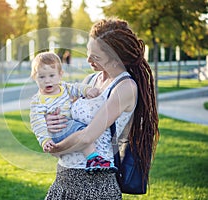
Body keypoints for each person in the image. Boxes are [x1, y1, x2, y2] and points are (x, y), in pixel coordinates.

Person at [44, 17, 159, 199]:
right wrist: (54, 122)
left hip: (96, 185)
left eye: (95, 57)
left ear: (115, 59)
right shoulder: (90, 81)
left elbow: (87, 137)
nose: (88, 59)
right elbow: (68, 118)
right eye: (88, 52)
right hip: (63, 180)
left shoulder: (125, 87)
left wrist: (55, 148)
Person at [29, 52, 118, 173]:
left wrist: (87, 90)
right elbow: (37, 122)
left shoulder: (64, 87)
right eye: (42, 77)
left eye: (51, 75)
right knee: (82, 132)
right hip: (57, 132)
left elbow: (77, 88)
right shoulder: (38, 100)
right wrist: (45, 140)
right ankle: (92, 158)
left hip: (67, 126)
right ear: (34, 77)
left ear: (60, 75)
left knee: (81, 130)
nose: (47, 81)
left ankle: (92, 158)